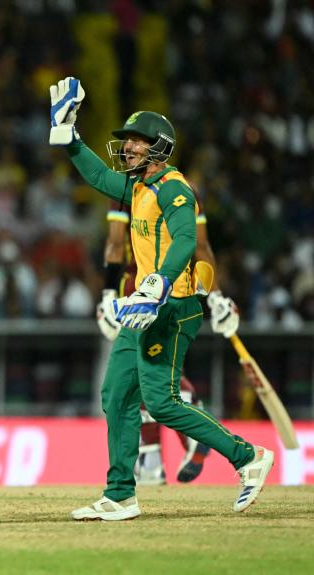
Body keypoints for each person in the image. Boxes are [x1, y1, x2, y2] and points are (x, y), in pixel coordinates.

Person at [49, 76, 273, 520]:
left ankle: (248, 457)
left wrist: (160, 283)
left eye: (135, 142)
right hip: (145, 306)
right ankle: (120, 494)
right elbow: (97, 175)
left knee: (164, 402)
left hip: (173, 308)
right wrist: (69, 139)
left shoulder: (174, 187)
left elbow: (188, 241)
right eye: (126, 142)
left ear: (159, 147)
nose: (127, 148)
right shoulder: (136, 187)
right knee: (116, 395)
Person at [97, 201, 242, 485]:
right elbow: (201, 248)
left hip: (138, 288)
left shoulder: (126, 189)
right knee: (155, 367)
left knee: (136, 375)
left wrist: (106, 296)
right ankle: (157, 452)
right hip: (179, 290)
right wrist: (217, 296)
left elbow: (115, 244)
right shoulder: (186, 191)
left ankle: (157, 454)